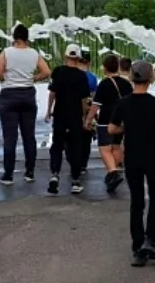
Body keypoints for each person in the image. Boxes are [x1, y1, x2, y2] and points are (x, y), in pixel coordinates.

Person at [108, 60, 155, 267]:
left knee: (137, 201)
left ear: (130, 78)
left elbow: (111, 129)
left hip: (133, 158)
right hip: (152, 157)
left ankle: (138, 249)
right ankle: (151, 239)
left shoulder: (123, 103)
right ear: (151, 78)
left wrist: (126, 129)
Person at [0, 23, 51, 185]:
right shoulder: (34, 54)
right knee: (29, 136)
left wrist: (6, 76)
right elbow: (47, 71)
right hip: (28, 95)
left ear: (14, 37)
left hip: (9, 95)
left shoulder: (7, 52)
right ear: (27, 38)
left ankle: (8, 174)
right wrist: (33, 78)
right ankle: (30, 172)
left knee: (10, 136)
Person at [45, 43, 90, 195]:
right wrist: (85, 117)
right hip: (75, 115)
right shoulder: (81, 76)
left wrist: (49, 110)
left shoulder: (57, 72)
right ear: (78, 58)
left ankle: (55, 174)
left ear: (66, 56)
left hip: (59, 113)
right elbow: (84, 99)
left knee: (57, 144)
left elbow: (52, 93)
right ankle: (76, 180)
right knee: (75, 146)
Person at [85, 53, 132, 193]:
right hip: (122, 120)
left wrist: (88, 119)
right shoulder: (126, 83)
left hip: (106, 120)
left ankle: (112, 172)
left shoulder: (105, 83)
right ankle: (117, 169)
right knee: (116, 146)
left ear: (105, 68)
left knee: (104, 148)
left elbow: (96, 104)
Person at [78, 47, 99, 175]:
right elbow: (95, 97)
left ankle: (74, 160)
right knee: (86, 138)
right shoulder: (92, 78)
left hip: (72, 109)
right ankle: (83, 164)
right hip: (87, 109)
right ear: (90, 63)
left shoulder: (72, 75)